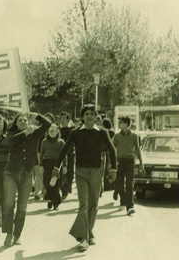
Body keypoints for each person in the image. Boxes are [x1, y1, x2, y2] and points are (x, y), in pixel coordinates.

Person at [54, 105, 117, 252]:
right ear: (82, 117)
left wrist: (114, 169)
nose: (89, 116)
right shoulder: (75, 133)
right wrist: (56, 168)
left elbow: (112, 149)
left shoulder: (102, 132)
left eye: (92, 114)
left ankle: (88, 232)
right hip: (81, 172)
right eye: (86, 114)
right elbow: (64, 149)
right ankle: (83, 238)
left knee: (93, 204)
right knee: (84, 203)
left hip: (96, 171)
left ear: (95, 117)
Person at [2, 113, 51, 247]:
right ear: (16, 123)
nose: (23, 121)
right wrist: (25, 132)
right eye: (20, 120)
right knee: (9, 204)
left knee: (22, 207)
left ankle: (17, 235)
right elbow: (10, 142)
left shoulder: (35, 133)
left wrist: (37, 116)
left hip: (26, 173)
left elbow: (48, 124)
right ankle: (9, 233)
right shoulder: (11, 133)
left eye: (25, 120)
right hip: (11, 172)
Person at [112, 116, 143, 215]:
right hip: (120, 161)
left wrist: (141, 163)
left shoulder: (134, 136)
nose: (119, 124)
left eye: (121, 122)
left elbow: (137, 150)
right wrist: (111, 164)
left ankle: (129, 206)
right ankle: (123, 200)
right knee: (120, 183)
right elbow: (112, 149)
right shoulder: (116, 136)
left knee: (129, 184)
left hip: (130, 161)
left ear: (126, 124)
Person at [39, 124, 66, 210]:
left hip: (57, 164)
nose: (52, 132)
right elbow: (41, 154)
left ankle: (55, 203)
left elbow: (64, 155)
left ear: (57, 131)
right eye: (50, 130)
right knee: (47, 182)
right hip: (47, 163)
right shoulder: (44, 141)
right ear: (47, 132)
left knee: (56, 183)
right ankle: (50, 199)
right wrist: (41, 165)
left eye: (54, 130)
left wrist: (65, 165)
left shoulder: (61, 141)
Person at [59, 112, 76, 199]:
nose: (62, 120)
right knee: (61, 172)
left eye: (64, 118)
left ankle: (67, 186)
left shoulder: (72, 129)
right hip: (60, 154)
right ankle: (64, 190)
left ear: (68, 119)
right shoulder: (58, 129)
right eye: (61, 118)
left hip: (70, 153)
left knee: (70, 172)